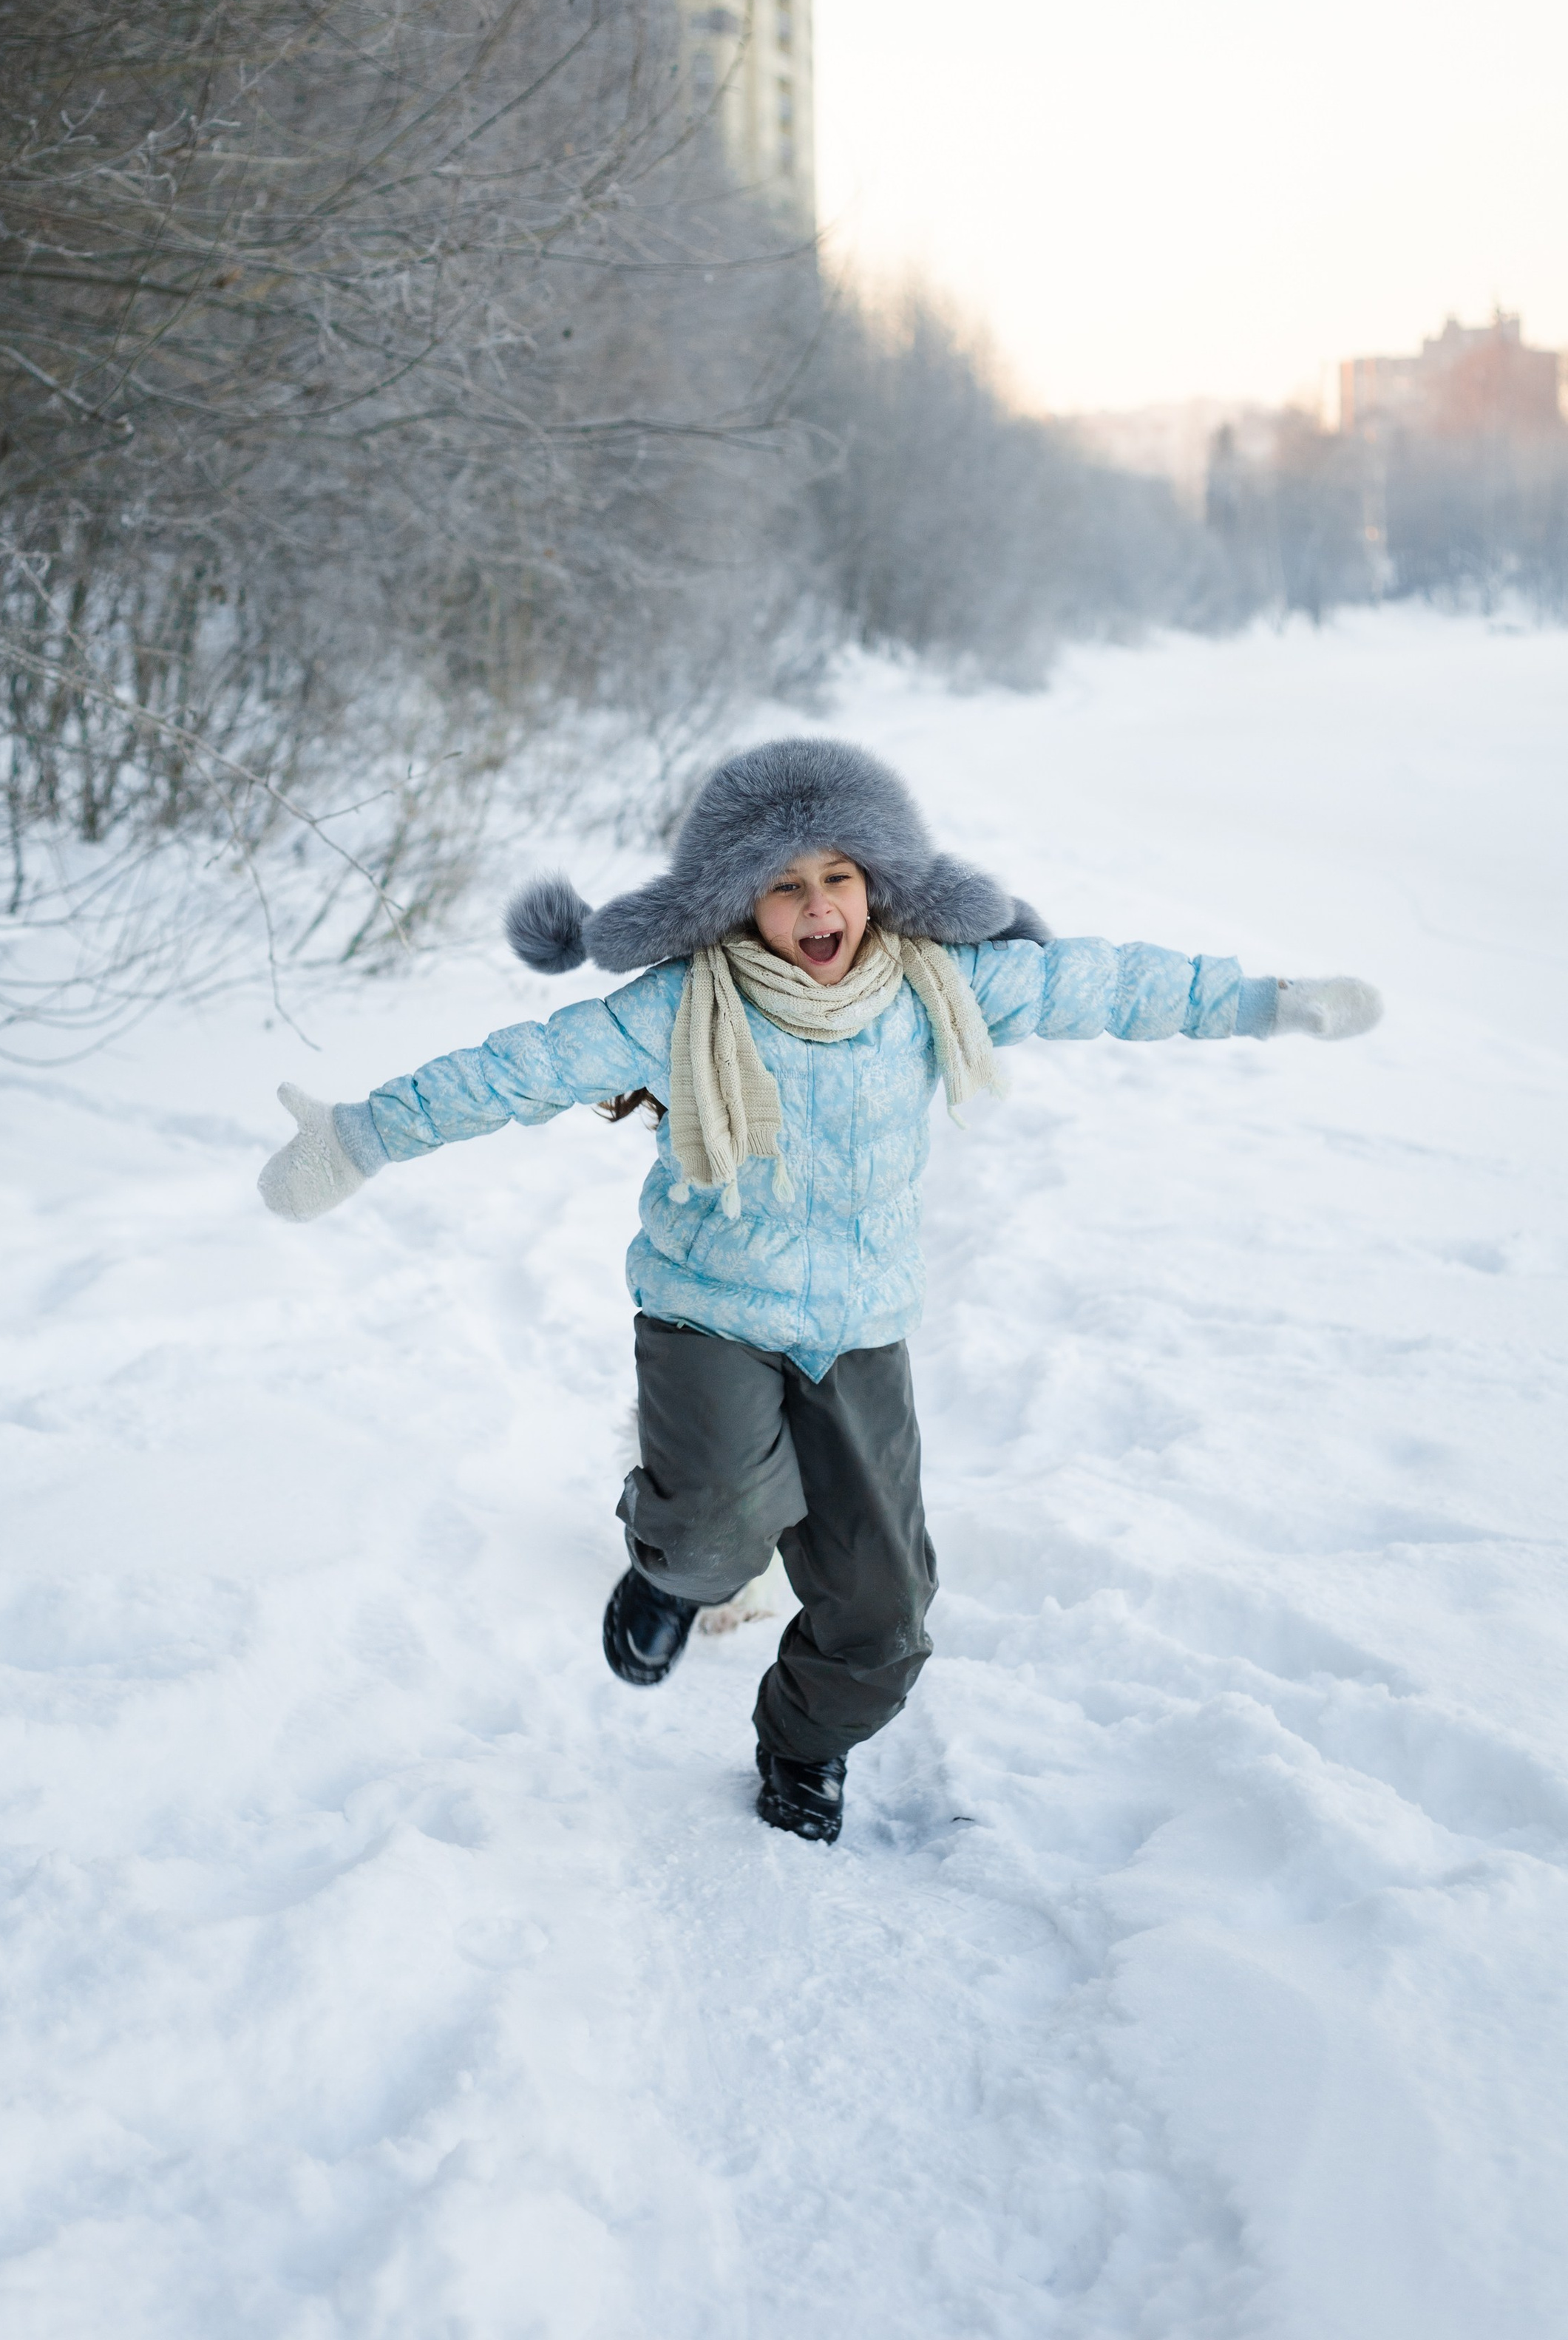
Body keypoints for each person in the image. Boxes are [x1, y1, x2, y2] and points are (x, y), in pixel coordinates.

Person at [257, 739, 1381, 1846]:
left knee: (885, 1614)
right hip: (710, 1307)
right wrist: (359, 1135)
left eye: (838, 876)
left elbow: (1114, 984)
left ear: (880, 885)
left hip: (859, 1328)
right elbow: (509, 1070)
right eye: (784, 885)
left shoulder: (945, 984)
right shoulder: (678, 1006)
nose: (815, 905)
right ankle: (667, 1570)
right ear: (738, 903)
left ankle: (804, 1745)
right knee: (715, 1533)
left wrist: (1265, 999)